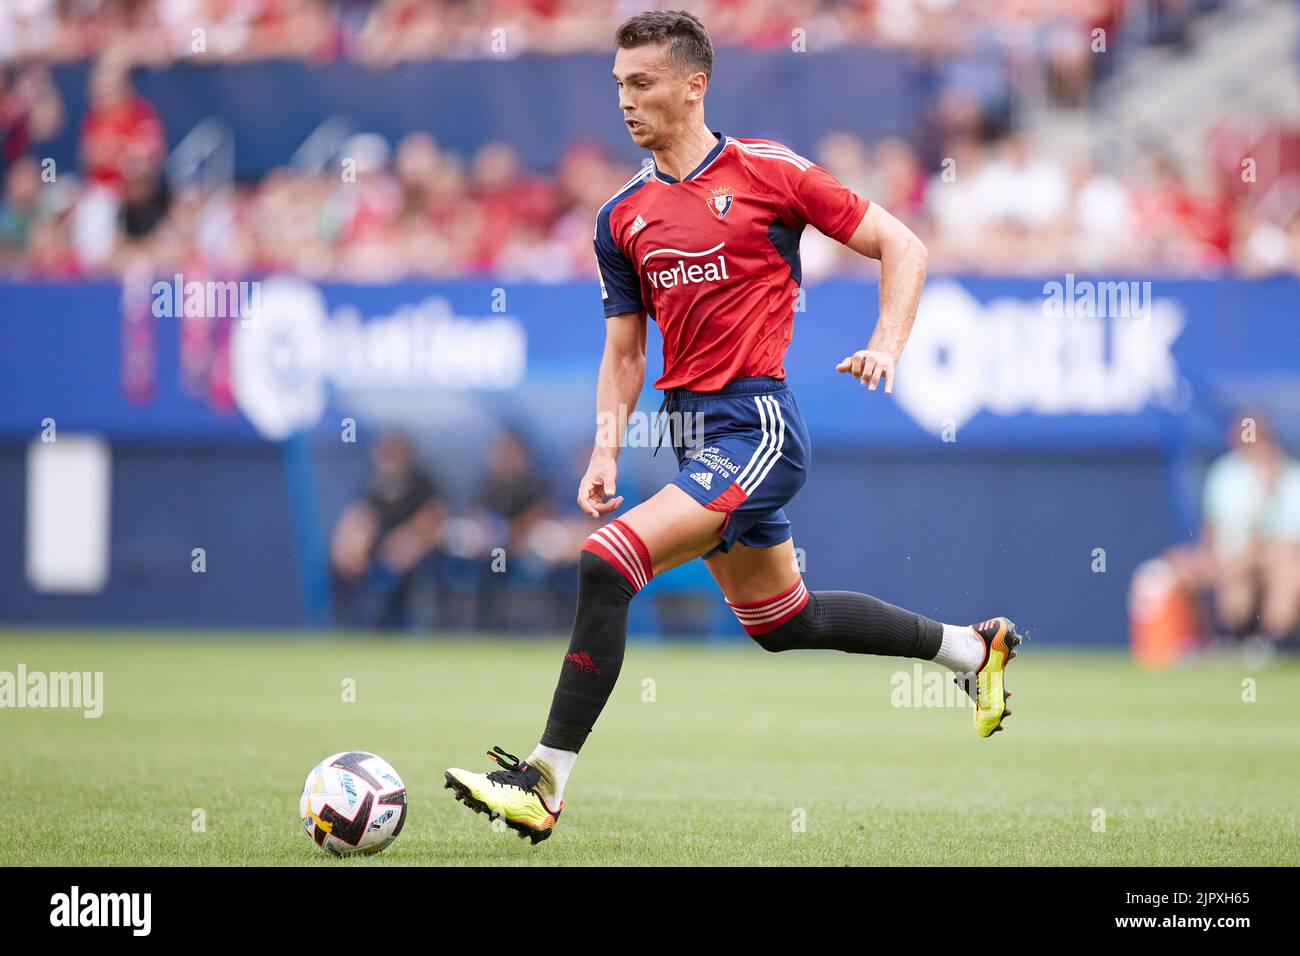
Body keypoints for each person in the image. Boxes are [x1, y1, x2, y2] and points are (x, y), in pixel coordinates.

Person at [444, 10, 1024, 844]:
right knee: (782, 623)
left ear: (694, 84)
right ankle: (974, 650)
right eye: (619, 86)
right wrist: (607, 445)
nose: (627, 102)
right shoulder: (621, 217)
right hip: (689, 437)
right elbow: (623, 350)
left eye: (642, 84)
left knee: (607, 562)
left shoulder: (767, 171)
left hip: (757, 428)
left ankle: (543, 781)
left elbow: (903, 246)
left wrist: (885, 345)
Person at [330, 432, 446, 630]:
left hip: (415, 553)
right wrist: (351, 544)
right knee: (347, 565)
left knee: (396, 570)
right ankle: (351, 626)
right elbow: (360, 515)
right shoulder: (372, 483)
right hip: (379, 550)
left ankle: (404, 626)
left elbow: (435, 519)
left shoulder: (422, 483)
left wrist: (410, 540)